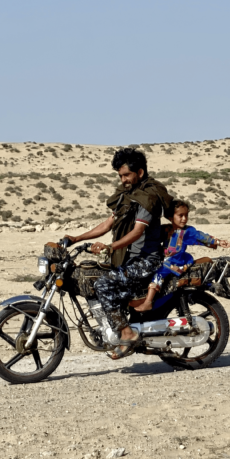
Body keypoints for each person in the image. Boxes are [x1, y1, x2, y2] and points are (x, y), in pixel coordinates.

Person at [64, 147, 173, 359]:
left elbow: (138, 231)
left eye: (126, 175)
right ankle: (121, 325)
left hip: (146, 260)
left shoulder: (147, 197)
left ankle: (127, 333)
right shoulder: (128, 196)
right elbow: (108, 224)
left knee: (103, 284)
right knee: (95, 277)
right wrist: (77, 238)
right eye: (120, 175)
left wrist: (111, 247)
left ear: (139, 173)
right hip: (129, 259)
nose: (123, 180)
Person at [134, 200, 230, 312]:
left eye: (186, 215)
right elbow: (151, 236)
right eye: (180, 215)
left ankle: (148, 302)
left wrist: (218, 242)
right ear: (170, 217)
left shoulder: (187, 231)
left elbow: (201, 236)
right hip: (164, 259)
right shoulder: (165, 229)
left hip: (177, 261)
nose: (184, 219)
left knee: (159, 274)